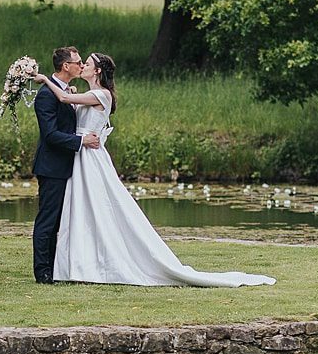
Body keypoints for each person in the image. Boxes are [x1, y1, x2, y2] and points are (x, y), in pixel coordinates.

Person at [34, 52, 276, 287]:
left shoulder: (102, 94)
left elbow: (65, 101)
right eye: (80, 62)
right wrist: (68, 91)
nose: (82, 66)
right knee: (81, 211)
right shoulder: (87, 93)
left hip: (89, 156)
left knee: (100, 208)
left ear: (97, 71)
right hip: (79, 157)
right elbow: (70, 107)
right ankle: (76, 264)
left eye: (86, 63)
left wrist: (46, 80)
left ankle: (99, 263)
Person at [31, 46, 101, 284]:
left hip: (69, 166)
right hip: (52, 166)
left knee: (60, 221)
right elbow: (50, 134)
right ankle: (43, 272)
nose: (81, 66)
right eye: (78, 62)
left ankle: (56, 268)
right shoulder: (46, 95)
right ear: (65, 66)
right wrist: (81, 141)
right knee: (48, 220)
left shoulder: (67, 91)